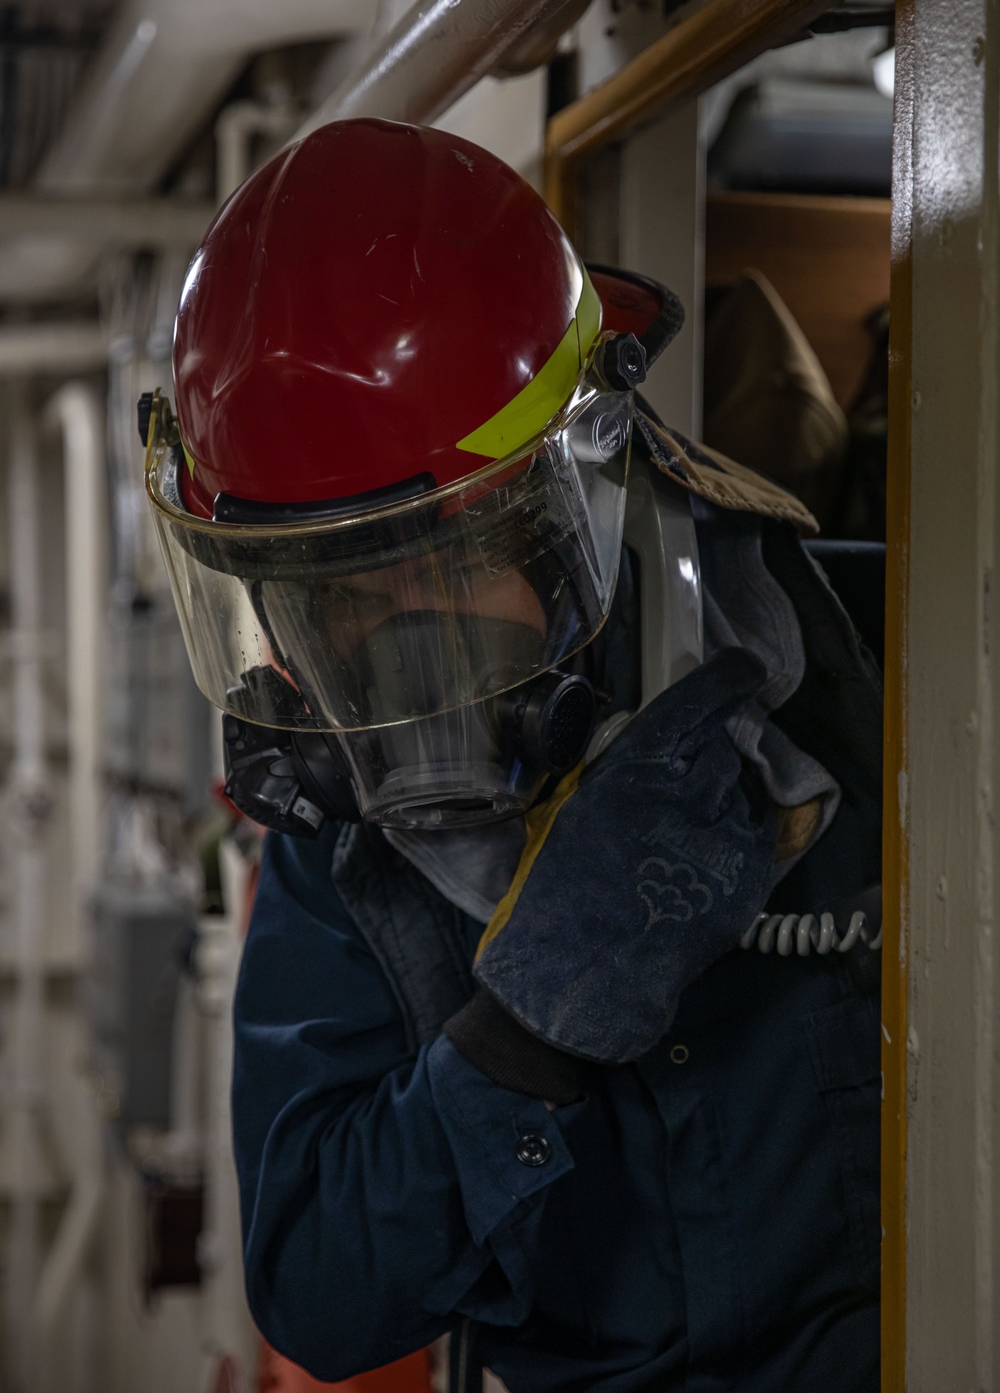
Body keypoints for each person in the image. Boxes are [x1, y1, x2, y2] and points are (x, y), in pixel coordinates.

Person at [143, 117, 883, 1392]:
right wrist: (521, 1035)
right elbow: (317, 1290)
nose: (385, 652)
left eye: (440, 564)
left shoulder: (863, 666)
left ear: (578, 488)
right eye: (326, 595)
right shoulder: (348, 842)